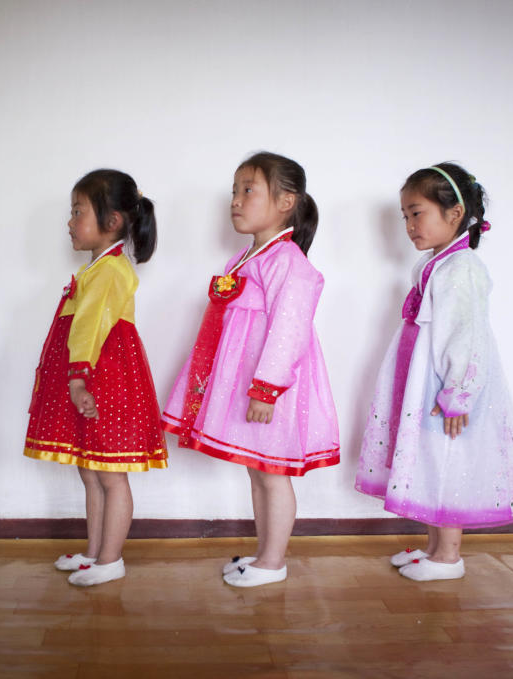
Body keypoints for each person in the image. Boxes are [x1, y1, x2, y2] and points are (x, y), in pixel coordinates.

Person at [162, 152, 339, 587]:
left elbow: (289, 329)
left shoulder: (288, 262)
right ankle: (264, 555)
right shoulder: (245, 259)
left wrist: (266, 388)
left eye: (248, 190)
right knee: (257, 471)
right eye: (234, 192)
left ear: (285, 202)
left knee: (271, 472)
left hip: (270, 387)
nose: (236, 201)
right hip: (244, 381)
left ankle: (273, 562)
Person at [355, 163, 513, 581]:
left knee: (447, 461)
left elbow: (467, 337)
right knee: (430, 461)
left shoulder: (462, 270)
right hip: (426, 380)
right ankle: (435, 546)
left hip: (445, 386)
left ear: (454, 214)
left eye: (416, 213)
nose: (408, 225)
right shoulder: (433, 264)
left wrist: (458, 394)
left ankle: (448, 556)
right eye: (404, 216)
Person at [24, 169, 167, 586]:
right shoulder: (97, 267)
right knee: (90, 469)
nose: (70, 222)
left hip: (103, 377)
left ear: (113, 221)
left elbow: (89, 326)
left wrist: (78, 377)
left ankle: (111, 558)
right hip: (88, 373)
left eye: (77, 212)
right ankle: (93, 551)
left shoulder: (110, 270)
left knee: (108, 472)